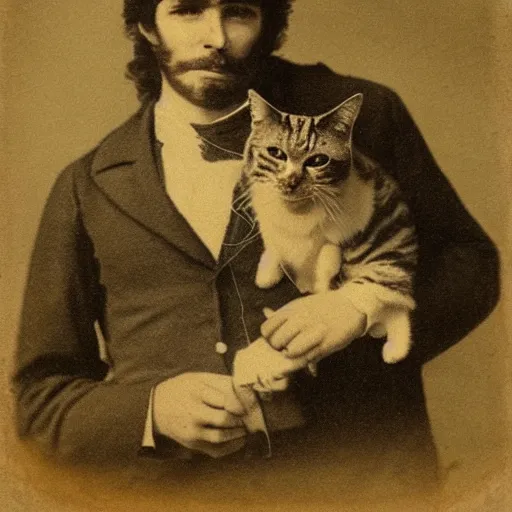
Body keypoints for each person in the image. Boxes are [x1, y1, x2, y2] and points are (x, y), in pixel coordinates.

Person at [13, 0, 500, 503]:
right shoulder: (86, 184)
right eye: (187, 10)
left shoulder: (362, 117)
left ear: (268, 23)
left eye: (239, 12)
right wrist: (152, 411)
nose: (216, 36)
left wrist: (359, 307)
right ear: (146, 25)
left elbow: (472, 266)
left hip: (363, 485)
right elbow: (41, 397)